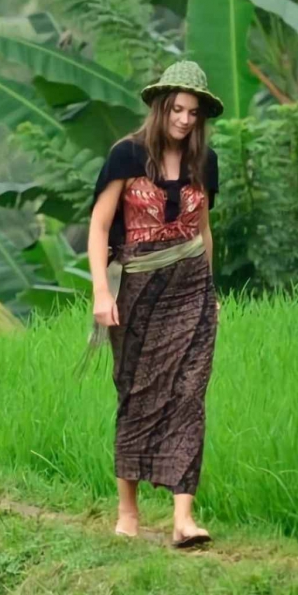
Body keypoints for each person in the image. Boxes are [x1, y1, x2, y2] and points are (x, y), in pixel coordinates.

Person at [87, 60, 222, 550]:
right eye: (179, 110)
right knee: (137, 395)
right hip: (137, 291)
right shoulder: (127, 154)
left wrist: (212, 292)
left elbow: (204, 230)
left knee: (189, 396)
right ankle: (128, 512)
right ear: (163, 107)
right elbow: (100, 227)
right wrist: (102, 292)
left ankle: (183, 518)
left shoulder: (203, 162)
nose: (186, 120)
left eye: (194, 113)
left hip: (191, 289)